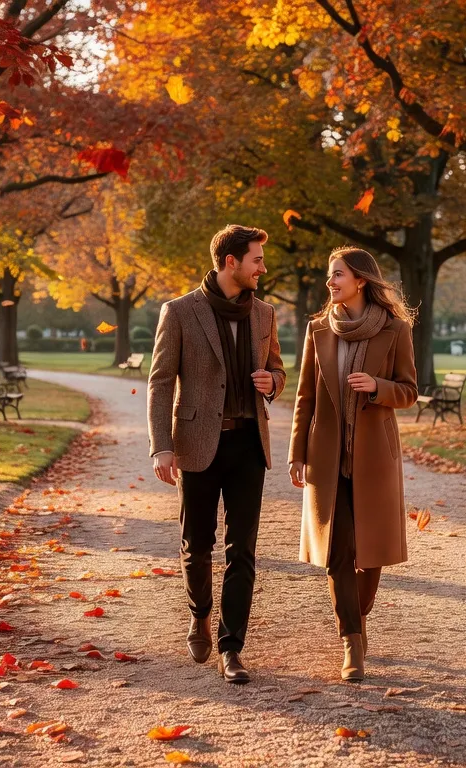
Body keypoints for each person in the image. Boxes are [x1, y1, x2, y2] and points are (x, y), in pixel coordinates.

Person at [147, 224, 286, 684]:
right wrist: (161, 446)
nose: (262, 268)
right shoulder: (181, 311)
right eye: (257, 260)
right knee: (197, 545)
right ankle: (200, 615)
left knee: (242, 549)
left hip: (249, 443)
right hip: (195, 444)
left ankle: (232, 647)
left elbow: (278, 370)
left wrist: (273, 383)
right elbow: (161, 381)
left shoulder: (264, 314)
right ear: (231, 262)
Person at [288, 246, 418, 682]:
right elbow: (305, 396)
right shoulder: (318, 330)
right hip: (327, 459)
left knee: (372, 552)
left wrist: (378, 386)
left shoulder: (396, 330)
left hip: (375, 458)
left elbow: (409, 391)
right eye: (330, 275)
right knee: (337, 551)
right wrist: (296, 454)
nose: (331, 282)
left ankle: (356, 622)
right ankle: (352, 640)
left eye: (337, 274)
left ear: (360, 280)